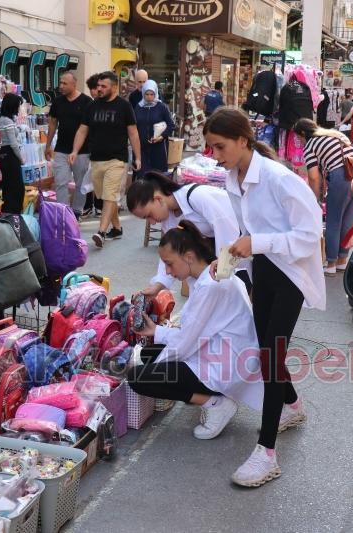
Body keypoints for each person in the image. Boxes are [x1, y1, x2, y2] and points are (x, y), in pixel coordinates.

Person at [203, 108, 325, 487]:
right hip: (263, 273)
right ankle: (292, 406)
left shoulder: (279, 179)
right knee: (265, 351)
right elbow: (243, 230)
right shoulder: (231, 178)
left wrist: (257, 243)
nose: (216, 155)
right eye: (211, 148)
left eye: (220, 146)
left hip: (290, 273)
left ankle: (266, 452)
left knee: (271, 356)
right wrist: (227, 258)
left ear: (243, 140)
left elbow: (310, 237)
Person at [128, 221, 263, 442]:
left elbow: (184, 344)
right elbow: (193, 332)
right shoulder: (207, 277)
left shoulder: (211, 285)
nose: (169, 272)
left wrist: (157, 370)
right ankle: (209, 396)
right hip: (223, 352)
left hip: (227, 363)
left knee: (139, 378)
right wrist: (156, 332)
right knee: (147, 356)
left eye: (169, 264)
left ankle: (217, 404)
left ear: (189, 256)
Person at [126, 171, 242, 296]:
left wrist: (222, 271)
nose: (152, 222)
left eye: (149, 215)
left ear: (158, 199)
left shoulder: (196, 197)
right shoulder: (169, 220)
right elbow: (169, 255)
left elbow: (227, 233)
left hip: (243, 244)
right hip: (226, 254)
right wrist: (157, 286)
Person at [70, 71, 142, 248]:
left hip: (117, 160)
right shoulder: (92, 107)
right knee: (104, 196)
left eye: (104, 86)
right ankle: (116, 228)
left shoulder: (124, 106)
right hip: (96, 160)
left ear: (114, 87)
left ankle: (101, 232)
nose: (99, 89)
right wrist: (74, 150)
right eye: (98, 86)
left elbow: (133, 132)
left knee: (110, 195)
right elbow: (82, 130)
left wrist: (138, 157)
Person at [292, 118, 353, 276]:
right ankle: (342, 260)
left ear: (303, 133)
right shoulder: (334, 135)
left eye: (298, 138)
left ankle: (331, 264)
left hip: (340, 177)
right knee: (347, 221)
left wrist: (314, 199)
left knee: (333, 221)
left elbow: (314, 177)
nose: (299, 141)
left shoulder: (310, 145)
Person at [46, 72, 92, 218]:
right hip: (61, 149)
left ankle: (77, 212)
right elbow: (53, 123)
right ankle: (63, 213)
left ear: (74, 84)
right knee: (60, 182)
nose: (61, 86)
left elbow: (90, 127)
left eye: (65, 83)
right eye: (60, 83)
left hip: (82, 151)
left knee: (80, 184)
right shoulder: (58, 102)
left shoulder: (86, 102)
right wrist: (48, 145)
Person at [134, 80, 175, 175]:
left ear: (156, 93)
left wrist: (162, 137)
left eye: (152, 94)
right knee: (143, 177)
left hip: (158, 149)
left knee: (158, 177)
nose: (149, 97)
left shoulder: (162, 107)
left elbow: (171, 125)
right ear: (143, 94)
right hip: (142, 149)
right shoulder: (138, 107)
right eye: (147, 94)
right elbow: (134, 126)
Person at [0, 93, 25, 214]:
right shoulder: (6, 120)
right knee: (17, 187)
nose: (18, 108)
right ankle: (14, 212)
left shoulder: (4, 119)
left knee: (9, 185)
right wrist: (21, 158)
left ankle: (9, 211)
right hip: (10, 154)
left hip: (5, 155)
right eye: (17, 106)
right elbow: (13, 144)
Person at [83, 73, 103, 218]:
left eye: (95, 88)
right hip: (88, 146)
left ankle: (99, 205)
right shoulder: (89, 106)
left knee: (100, 177)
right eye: (90, 88)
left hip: (103, 147)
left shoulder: (107, 105)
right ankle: (88, 205)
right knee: (89, 176)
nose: (92, 91)